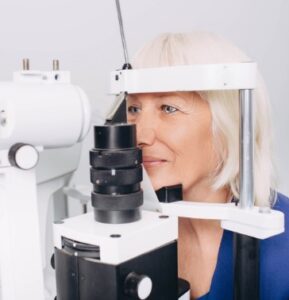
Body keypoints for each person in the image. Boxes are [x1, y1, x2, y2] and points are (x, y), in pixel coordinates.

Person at [126, 32, 289, 300]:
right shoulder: (134, 234)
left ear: (230, 123)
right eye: (134, 109)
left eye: (168, 108)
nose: (140, 135)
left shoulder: (281, 257)